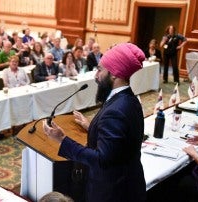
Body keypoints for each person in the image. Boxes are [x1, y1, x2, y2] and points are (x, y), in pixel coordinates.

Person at [43, 43, 147, 202]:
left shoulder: (116, 110)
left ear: (114, 74)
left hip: (113, 191)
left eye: (99, 70)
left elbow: (101, 160)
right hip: (128, 182)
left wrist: (62, 140)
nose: (96, 75)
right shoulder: (129, 99)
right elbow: (118, 143)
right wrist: (91, 126)